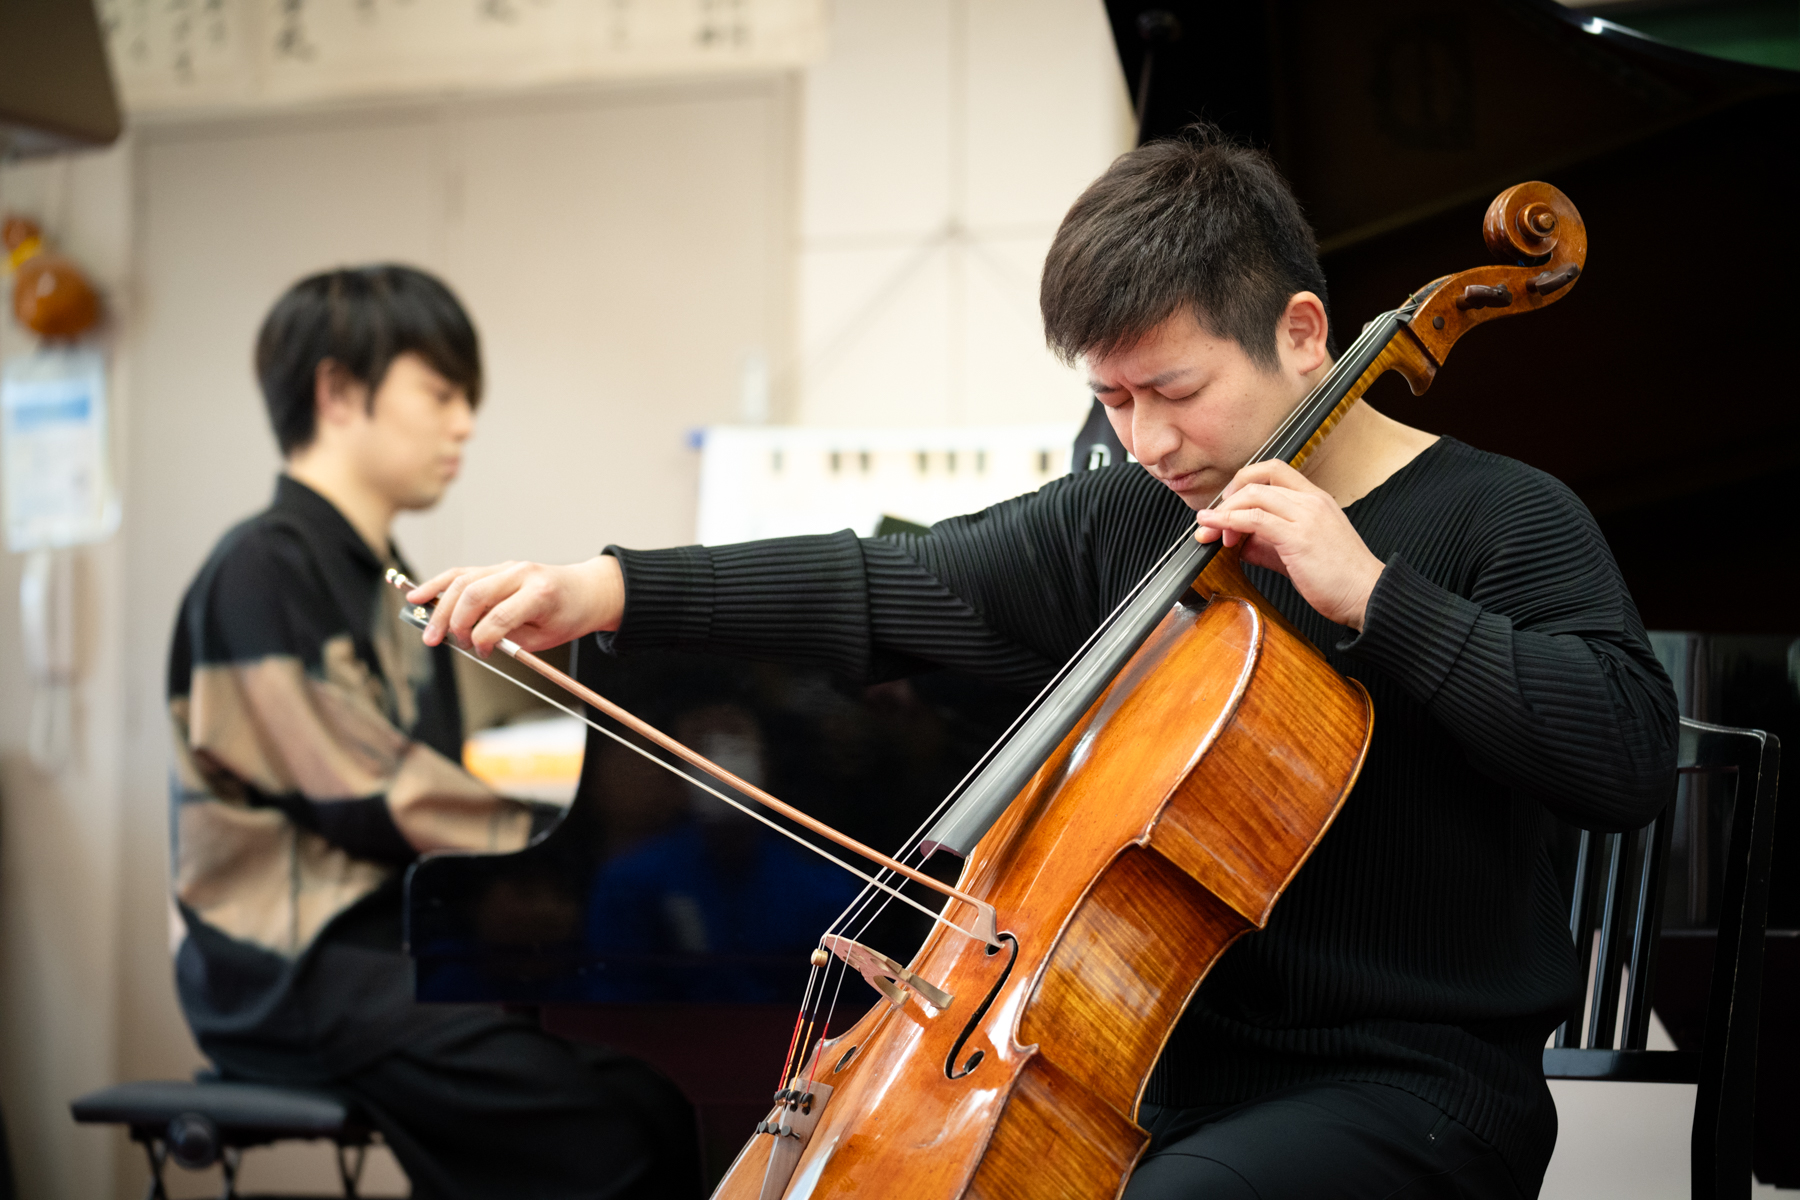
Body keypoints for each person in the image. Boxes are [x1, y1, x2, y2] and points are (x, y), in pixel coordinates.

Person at [411, 126, 1679, 1199]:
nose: (1143, 440)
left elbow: (1624, 755)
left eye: (1171, 389)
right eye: (1112, 399)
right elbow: (887, 581)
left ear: (1303, 332)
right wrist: (606, 587)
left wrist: (1372, 596)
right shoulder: (1132, 518)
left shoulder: (1504, 518)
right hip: (1141, 1077)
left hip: (1413, 1089)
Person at [166, 265, 699, 1200]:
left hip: (398, 944)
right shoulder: (258, 568)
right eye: (442, 393)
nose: (464, 424)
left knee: (653, 1101)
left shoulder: (385, 578)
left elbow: (450, 756)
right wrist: (569, 852)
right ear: (338, 391)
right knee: (605, 1135)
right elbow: (366, 787)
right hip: (297, 967)